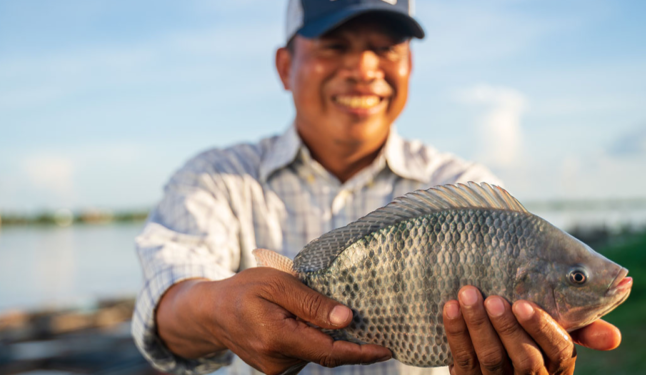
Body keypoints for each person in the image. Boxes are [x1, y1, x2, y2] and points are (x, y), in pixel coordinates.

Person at [132, 1, 622, 374]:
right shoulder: (214, 178)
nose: (364, 68)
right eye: (335, 44)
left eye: (386, 48)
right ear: (285, 66)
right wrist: (217, 308)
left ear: (409, 65)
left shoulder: (465, 183)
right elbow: (167, 298)